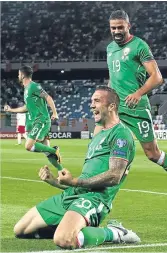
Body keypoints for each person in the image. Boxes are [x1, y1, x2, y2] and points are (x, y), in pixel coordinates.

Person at [96, 9, 167, 210]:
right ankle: (97, 198)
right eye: (113, 28)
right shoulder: (110, 48)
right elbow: (113, 77)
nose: (117, 31)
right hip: (116, 109)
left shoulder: (139, 46)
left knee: (152, 154)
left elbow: (157, 77)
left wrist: (137, 93)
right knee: (104, 148)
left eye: (120, 27)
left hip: (136, 108)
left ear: (129, 26)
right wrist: (105, 98)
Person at [13, 87, 140, 249]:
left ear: (112, 106)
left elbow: (115, 175)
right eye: (91, 101)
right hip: (75, 194)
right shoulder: (98, 135)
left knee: (64, 240)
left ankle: (115, 232)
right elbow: (81, 181)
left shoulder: (121, 134)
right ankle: (71, 226)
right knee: (21, 230)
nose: (91, 105)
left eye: (97, 101)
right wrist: (53, 181)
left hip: (94, 198)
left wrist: (74, 181)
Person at [4, 65, 62, 171]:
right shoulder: (27, 90)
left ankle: (55, 150)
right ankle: (61, 170)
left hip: (41, 120)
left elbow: (48, 97)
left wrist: (55, 113)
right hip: (39, 121)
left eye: (18, 74)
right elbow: (26, 108)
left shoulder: (34, 86)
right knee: (46, 152)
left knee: (28, 146)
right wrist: (11, 110)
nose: (18, 75)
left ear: (22, 75)